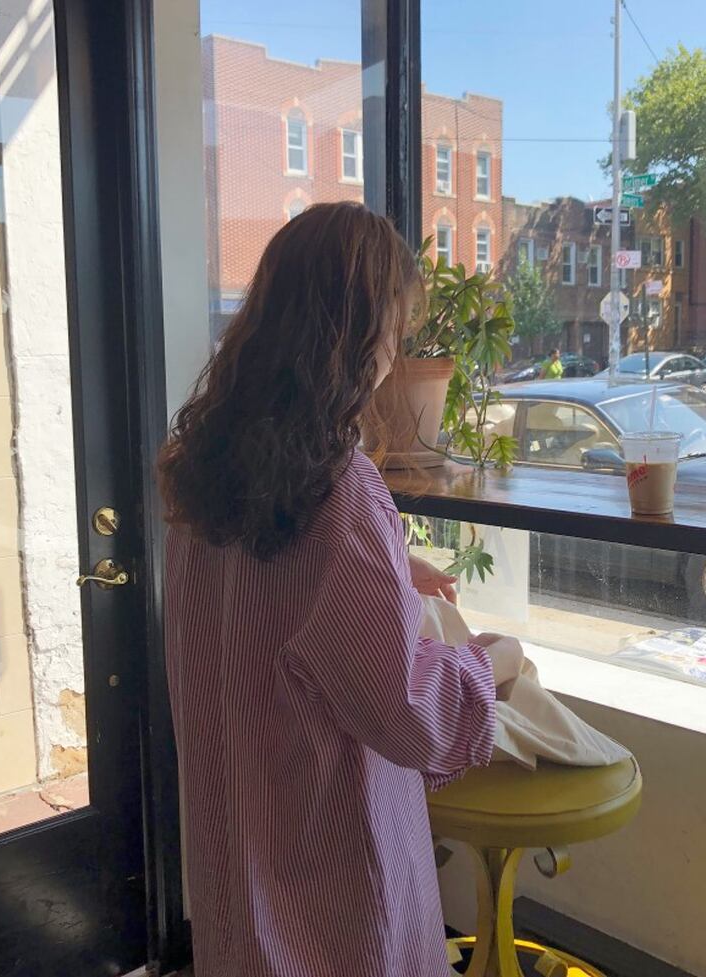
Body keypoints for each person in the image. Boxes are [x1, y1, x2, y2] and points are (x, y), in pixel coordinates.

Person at [157, 202, 524, 977]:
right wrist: (493, 663)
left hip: (235, 848)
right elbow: (404, 713)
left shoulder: (198, 464)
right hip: (327, 883)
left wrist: (389, 566)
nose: (397, 349)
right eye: (395, 325)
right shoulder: (338, 488)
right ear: (361, 332)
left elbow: (264, 594)